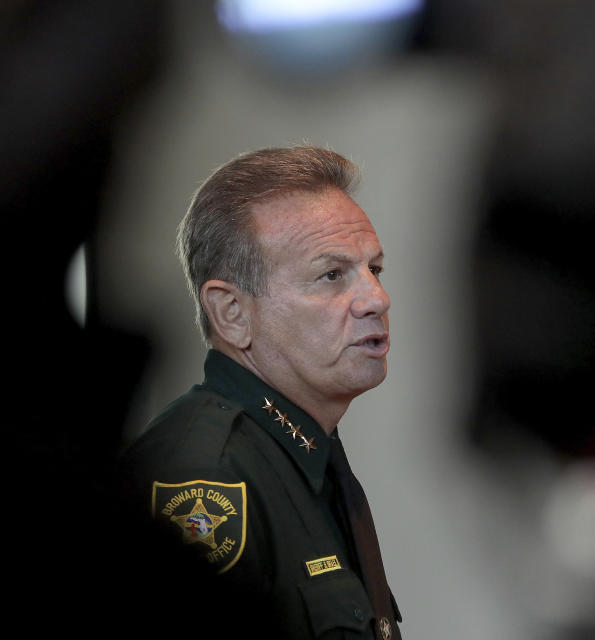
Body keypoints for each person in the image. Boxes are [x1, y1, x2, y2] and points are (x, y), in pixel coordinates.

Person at [120, 146, 402, 640]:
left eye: (373, 270)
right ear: (231, 313)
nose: (377, 299)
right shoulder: (203, 476)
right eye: (332, 275)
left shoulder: (303, 452)